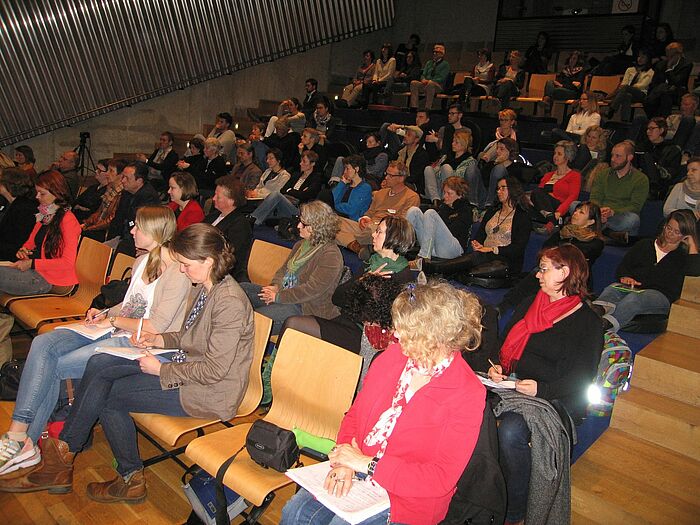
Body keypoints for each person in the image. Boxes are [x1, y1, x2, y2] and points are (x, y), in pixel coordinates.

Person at [0, 224, 254, 501]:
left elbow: (216, 370)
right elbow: (190, 335)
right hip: (187, 369)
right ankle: (72, 460)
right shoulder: (206, 286)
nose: (181, 270)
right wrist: (158, 341)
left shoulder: (229, 302)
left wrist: (162, 368)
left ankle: (88, 467)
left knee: (106, 395)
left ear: (209, 260)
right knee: (100, 364)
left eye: (185, 264)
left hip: (210, 391)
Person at [0, 206, 191, 476]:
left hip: (142, 343)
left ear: (156, 231)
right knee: (44, 344)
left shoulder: (176, 273)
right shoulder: (141, 261)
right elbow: (130, 306)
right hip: (118, 329)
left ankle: (24, 440)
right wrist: (104, 313)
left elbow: (155, 325)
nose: (132, 231)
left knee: (56, 365)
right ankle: (20, 435)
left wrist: (112, 321)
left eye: (137, 226)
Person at [281, 280, 486, 525]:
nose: (395, 335)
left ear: (434, 337)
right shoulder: (392, 357)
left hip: (407, 498)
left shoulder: (466, 392)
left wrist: (364, 464)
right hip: (359, 464)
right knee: (295, 512)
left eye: (405, 331)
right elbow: (355, 415)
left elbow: (439, 478)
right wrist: (344, 461)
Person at [488, 245, 602, 525]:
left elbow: (582, 377)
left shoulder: (587, 321)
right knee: (475, 409)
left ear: (565, 272)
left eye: (544, 269)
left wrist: (543, 390)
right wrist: (500, 368)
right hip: (517, 387)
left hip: (556, 397)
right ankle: (485, 494)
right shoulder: (531, 302)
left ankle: (515, 511)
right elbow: (505, 346)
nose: (538, 275)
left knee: (512, 431)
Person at [282, 216, 415, 355]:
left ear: (394, 238)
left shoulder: (402, 277)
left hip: (363, 336)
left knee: (294, 324)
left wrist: (367, 288)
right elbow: (337, 298)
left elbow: (389, 322)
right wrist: (364, 280)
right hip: (345, 322)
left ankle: (271, 373)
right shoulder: (372, 263)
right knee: (295, 329)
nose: (373, 234)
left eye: (379, 232)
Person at [241, 200, 344, 334]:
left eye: (304, 223)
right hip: (285, 293)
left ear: (317, 227)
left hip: (305, 308)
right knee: (241, 290)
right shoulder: (301, 244)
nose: (299, 225)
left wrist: (278, 296)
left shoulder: (331, 255)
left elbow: (312, 290)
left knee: (255, 321)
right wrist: (276, 286)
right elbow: (283, 270)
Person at [593, 210, 699, 332]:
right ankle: (596, 311)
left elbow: (694, 274)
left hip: (660, 296)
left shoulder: (684, 256)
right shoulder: (645, 245)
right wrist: (625, 277)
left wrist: (692, 245)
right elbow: (623, 267)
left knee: (635, 299)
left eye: (676, 232)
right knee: (613, 288)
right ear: (664, 226)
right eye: (669, 228)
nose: (670, 233)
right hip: (634, 287)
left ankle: (606, 324)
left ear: (685, 235)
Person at [499, 202, 605, 314]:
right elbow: (546, 249)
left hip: (573, 279)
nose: (575, 213)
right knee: (538, 272)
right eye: (576, 210)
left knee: (540, 273)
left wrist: (557, 252)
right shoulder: (563, 232)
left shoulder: (595, 241)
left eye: (581, 212)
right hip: (552, 270)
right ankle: (504, 306)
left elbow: (572, 257)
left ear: (591, 221)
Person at [428, 177, 531, 277]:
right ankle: (438, 269)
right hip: (484, 253)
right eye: (498, 188)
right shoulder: (492, 211)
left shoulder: (522, 216)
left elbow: (518, 248)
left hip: (504, 258)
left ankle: (435, 268)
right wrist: (477, 244)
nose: (499, 191)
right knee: (477, 256)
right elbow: (480, 234)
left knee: (476, 257)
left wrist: (492, 249)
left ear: (513, 189)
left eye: (503, 188)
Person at [0, 171, 80, 296]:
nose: (37, 196)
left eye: (42, 193)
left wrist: (32, 263)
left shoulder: (68, 220)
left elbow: (67, 263)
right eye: (37, 192)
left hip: (51, 279)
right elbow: (29, 243)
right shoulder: (45, 215)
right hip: (37, 272)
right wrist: (23, 251)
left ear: (56, 194)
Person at [336, 161, 420, 257]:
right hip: (368, 226)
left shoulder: (412, 197)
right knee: (333, 222)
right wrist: (364, 219)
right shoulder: (380, 193)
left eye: (390, 175)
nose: (386, 177)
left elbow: (401, 222)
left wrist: (376, 224)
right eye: (386, 173)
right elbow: (370, 212)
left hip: (386, 230)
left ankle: (353, 242)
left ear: (401, 178)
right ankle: (357, 247)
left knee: (371, 229)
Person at [589, 140, 649, 243]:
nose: (613, 159)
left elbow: (635, 206)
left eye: (618, 156)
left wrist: (613, 212)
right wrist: (599, 211)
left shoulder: (641, 179)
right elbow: (595, 197)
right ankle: (609, 233)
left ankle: (597, 229)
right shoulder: (603, 174)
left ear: (629, 157)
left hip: (619, 216)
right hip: (600, 212)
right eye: (612, 155)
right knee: (574, 205)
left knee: (632, 219)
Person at [407, 176, 473, 262]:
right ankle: (399, 248)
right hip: (434, 247)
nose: (445, 196)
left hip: (454, 250)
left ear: (460, 195)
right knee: (413, 211)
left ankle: (424, 257)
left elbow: (453, 231)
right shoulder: (443, 207)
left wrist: (444, 211)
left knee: (430, 213)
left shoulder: (465, 210)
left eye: (449, 193)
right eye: (444, 192)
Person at [250, 150, 322, 226]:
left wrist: (290, 190)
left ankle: (253, 219)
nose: (301, 164)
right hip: (287, 204)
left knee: (276, 195)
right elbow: (283, 190)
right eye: (301, 161)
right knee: (271, 206)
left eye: (304, 162)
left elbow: (306, 195)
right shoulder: (296, 175)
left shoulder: (316, 179)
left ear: (313, 164)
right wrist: (294, 192)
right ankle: (254, 219)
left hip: (299, 209)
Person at [105, 161, 160, 256]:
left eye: (127, 178)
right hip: (122, 237)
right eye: (123, 177)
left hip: (135, 241)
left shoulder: (149, 198)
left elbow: (138, 224)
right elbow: (118, 218)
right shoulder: (126, 192)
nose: (123, 181)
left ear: (139, 181)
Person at [205, 176, 252, 282]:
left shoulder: (240, 225)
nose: (213, 198)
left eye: (218, 196)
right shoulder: (213, 216)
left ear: (231, 201)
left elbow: (229, 256)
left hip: (222, 272)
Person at [529, 141, 581, 230]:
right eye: (555, 153)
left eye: (559, 154)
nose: (555, 156)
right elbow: (538, 195)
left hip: (559, 207)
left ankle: (552, 221)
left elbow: (573, 197)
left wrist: (559, 212)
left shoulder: (574, 175)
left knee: (537, 192)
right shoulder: (548, 175)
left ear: (567, 157)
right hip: (544, 208)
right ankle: (552, 221)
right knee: (524, 199)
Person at [425, 128, 479, 205]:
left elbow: (461, 180)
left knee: (446, 167)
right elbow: (435, 171)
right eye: (453, 141)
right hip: (439, 189)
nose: (453, 144)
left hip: (454, 191)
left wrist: (444, 170)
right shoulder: (446, 157)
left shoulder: (470, 161)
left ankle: (445, 199)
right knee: (428, 169)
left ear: (464, 144)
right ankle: (435, 200)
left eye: (456, 142)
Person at [81, 158, 127, 241]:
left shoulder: (121, 193)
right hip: (98, 226)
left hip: (107, 232)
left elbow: (111, 220)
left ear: (120, 175)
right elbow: (99, 211)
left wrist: (91, 228)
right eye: (108, 170)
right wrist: (86, 223)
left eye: (111, 171)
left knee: (84, 235)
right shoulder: (110, 188)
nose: (107, 174)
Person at [644, 42, 693, 119]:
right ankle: (653, 120)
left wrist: (669, 69)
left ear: (678, 54)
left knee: (664, 95)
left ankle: (662, 121)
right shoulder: (660, 65)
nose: (669, 57)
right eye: (667, 55)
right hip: (659, 92)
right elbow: (654, 82)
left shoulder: (686, 64)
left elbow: (677, 82)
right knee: (659, 93)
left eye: (671, 55)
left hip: (677, 92)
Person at [637, 116, 682, 197]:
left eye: (652, 128)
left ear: (661, 130)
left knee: (647, 157)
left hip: (659, 182)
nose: (648, 132)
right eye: (647, 129)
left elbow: (671, 172)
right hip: (639, 179)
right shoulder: (641, 146)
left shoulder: (672, 149)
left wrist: (655, 167)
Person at [605, 49, 655, 122]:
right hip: (627, 92)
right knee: (627, 96)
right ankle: (625, 121)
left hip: (641, 94)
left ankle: (612, 109)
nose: (640, 59)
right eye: (638, 56)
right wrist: (626, 87)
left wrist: (628, 87)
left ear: (648, 59)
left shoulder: (650, 72)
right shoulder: (630, 70)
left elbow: (642, 85)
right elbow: (624, 83)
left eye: (643, 57)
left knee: (626, 88)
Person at [0, 168, 37, 261]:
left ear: (8, 185)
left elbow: (18, 243)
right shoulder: (6, 202)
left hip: (12, 256)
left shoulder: (25, 209)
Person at [480, 137, 523, 209]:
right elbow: (483, 181)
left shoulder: (517, 167)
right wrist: (495, 164)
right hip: (484, 196)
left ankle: (490, 205)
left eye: (501, 149)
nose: (497, 151)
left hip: (501, 199)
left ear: (510, 151)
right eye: (497, 148)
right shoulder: (491, 165)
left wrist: (500, 166)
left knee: (499, 169)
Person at [329, 154, 373, 221]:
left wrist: (334, 206)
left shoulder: (365, 188)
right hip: (337, 217)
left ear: (356, 169)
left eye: (347, 168)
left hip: (351, 221)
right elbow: (331, 199)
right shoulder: (345, 185)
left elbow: (351, 210)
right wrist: (342, 183)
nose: (344, 172)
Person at [410, 43, 450, 110]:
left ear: (442, 54)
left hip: (437, 85)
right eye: (434, 52)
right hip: (425, 84)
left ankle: (427, 108)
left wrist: (430, 81)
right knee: (414, 83)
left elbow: (442, 78)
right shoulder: (429, 63)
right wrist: (423, 79)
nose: (434, 54)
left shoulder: (445, 64)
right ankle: (414, 107)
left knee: (430, 84)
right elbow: (423, 74)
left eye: (437, 52)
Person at [71, 158, 112, 222]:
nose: (96, 171)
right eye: (96, 168)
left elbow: (94, 209)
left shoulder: (107, 191)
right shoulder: (93, 187)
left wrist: (79, 207)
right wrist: (80, 207)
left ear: (107, 174)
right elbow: (76, 201)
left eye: (99, 170)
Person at [571, 125, 609, 191]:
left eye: (594, 138)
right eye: (588, 136)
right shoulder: (579, 147)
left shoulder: (601, 153)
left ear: (599, 140)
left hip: (586, 173)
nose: (590, 139)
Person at [396, 125, 430, 194]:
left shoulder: (422, 154)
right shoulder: (400, 151)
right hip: (400, 179)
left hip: (414, 185)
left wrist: (398, 179)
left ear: (416, 139)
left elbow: (416, 176)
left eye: (409, 135)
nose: (405, 136)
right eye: (406, 133)